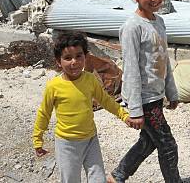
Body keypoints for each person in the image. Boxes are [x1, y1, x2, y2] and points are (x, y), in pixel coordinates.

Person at [32, 31, 135, 183]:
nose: (74, 62)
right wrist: (37, 139)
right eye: (67, 58)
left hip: (90, 140)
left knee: (98, 179)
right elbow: (44, 113)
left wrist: (124, 115)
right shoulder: (54, 86)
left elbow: (106, 100)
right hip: (67, 144)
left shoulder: (90, 79)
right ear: (58, 61)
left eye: (79, 56)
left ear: (86, 57)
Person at [111, 0, 181, 183]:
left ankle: (118, 175)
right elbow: (130, 68)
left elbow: (164, 60)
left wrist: (171, 91)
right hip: (144, 99)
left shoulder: (159, 22)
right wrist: (134, 110)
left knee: (149, 141)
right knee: (168, 145)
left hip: (156, 96)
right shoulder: (132, 27)